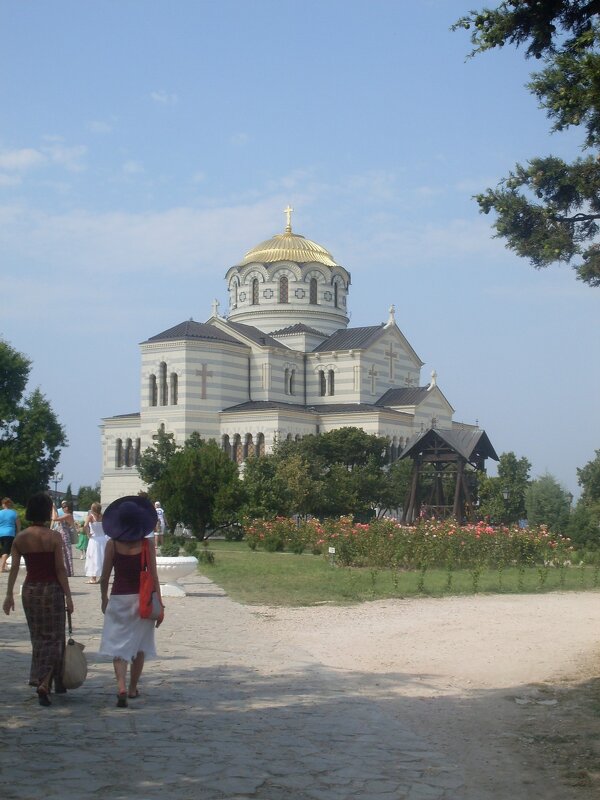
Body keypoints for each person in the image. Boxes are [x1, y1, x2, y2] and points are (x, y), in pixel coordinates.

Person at [2, 492, 74, 706]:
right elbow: (60, 570)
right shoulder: (53, 537)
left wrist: (8, 595)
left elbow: (14, 568)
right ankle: (46, 681)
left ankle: (42, 678)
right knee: (54, 637)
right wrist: (69, 596)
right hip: (52, 589)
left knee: (38, 637)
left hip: (31, 590)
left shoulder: (21, 538)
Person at [99, 495, 164, 708]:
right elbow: (153, 577)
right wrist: (160, 604)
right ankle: (134, 687)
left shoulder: (112, 544)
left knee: (119, 646)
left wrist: (103, 598)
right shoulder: (146, 545)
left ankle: (121, 686)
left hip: (119, 597)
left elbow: (105, 577)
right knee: (140, 646)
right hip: (142, 599)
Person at [84, 502, 108, 584]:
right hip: (103, 539)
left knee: (93, 558)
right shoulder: (103, 516)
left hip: (94, 539)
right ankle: (102, 577)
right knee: (102, 558)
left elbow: (85, 526)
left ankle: (93, 578)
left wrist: (88, 534)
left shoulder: (90, 516)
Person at [51, 501, 75, 577]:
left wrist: (53, 509)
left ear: (67, 508)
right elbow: (57, 518)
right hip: (62, 534)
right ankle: (65, 570)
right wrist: (54, 509)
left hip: (64, 535)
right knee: (63, 553)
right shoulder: (66, 515)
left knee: (66, 553)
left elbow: (54, 518)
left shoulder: (68, 515)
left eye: (64, 507)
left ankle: (66, 571)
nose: (63, 508)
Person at [0, 497, 21, 573]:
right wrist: (18, 533)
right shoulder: (14, 513)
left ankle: (4, 566)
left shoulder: (0, 512)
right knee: (6, 551)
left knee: (4, 550)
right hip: (9, 533)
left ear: (3, 504)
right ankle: (1, 568)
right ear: (9, 504)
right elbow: (18, 525)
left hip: (0, 533)